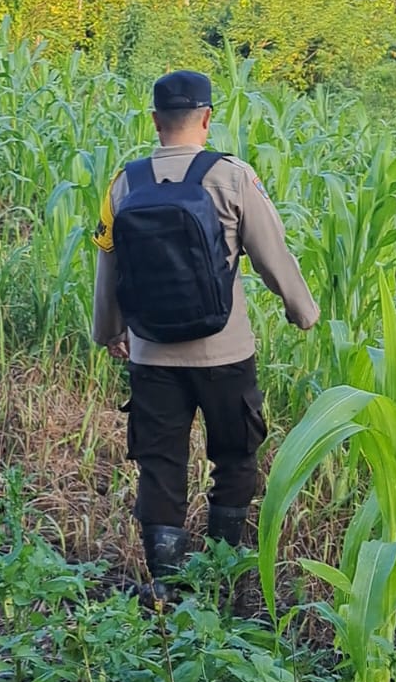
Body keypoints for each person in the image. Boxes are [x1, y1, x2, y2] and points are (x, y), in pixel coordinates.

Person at [92, 69, 318, 586]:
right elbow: (272, 256)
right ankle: (221, 580)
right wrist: (302, 311)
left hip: (151, 355)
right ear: (208, 118)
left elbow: (109, 264)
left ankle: (168, 593)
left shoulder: (126, 181)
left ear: (155, 121)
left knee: (160, 465)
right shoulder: (233, 176)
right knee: (235, 458)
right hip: (225, 354)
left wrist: (110, 331)